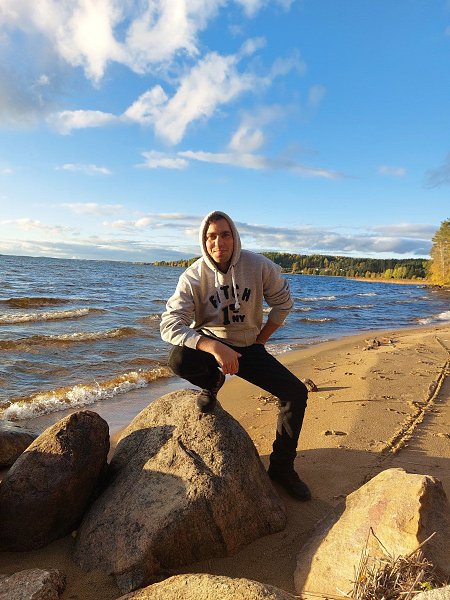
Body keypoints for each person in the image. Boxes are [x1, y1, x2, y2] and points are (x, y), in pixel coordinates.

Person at [160, 211, 310, 501]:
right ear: (204, 240)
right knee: (178, 359)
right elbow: (169, 325)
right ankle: (212, 383)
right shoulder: (193, 276)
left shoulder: (259, 266)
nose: (218, 242)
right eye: (211, 236)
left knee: (295, 393)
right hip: (212, 345)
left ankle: (282, 468)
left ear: (235, 237)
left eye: (225, 235)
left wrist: (261, 340)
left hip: (248, 346)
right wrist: (214, 347)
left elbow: (283, 303)